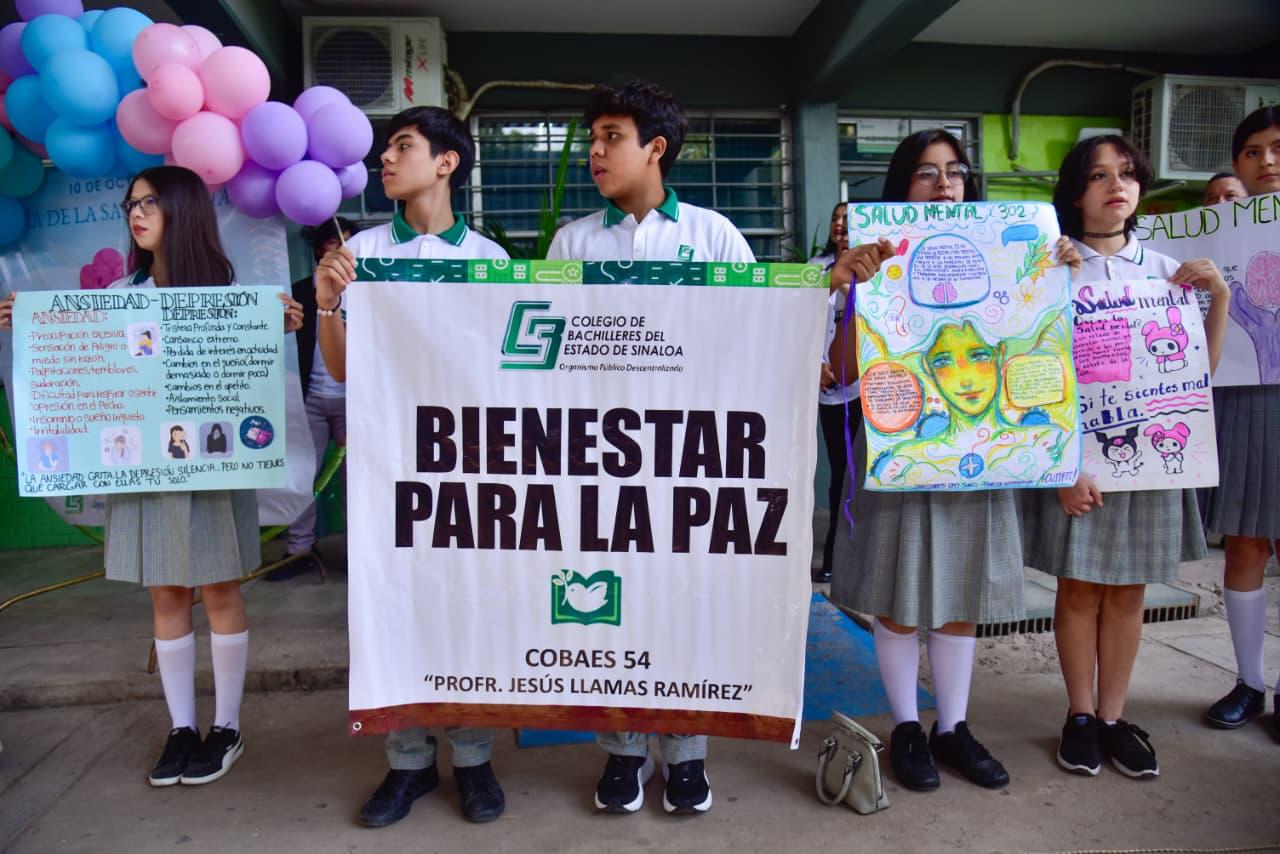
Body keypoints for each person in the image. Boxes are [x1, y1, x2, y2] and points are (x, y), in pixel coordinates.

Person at [1, 165, 304, 787]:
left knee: (219, 589)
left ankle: (227, 727)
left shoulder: (229, 294)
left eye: (149, 203)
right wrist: (32, 327)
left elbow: (244, 372)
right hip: (144, 467)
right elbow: (93, 373)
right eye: (131, 204)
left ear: (183, 210)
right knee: (165, 592)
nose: (136, 214)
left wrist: (278, 324)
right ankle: (181, 728)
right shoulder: (118, 293)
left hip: (212, 466)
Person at [827, 129, 1077, 794]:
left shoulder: (1012, 259)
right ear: (900, 188)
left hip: (980, 451)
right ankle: (908, 725)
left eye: (955, 171)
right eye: (926, 172)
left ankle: (954, 727)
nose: (944, 184)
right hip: (899, 449)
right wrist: (851, 290)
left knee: (961, 587)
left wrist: (1057, 272)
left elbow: (1040, 344)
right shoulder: (868, 263)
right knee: (899, 592)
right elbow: (841, 374)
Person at [546, 80, 755, 817]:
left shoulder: (714, 234)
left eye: (611, 137)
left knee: (684, 598)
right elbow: (551, 351)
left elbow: (754, 330)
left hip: (692, 455)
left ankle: (687, 752)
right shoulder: (573, 242)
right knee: (615, 600)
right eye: (593, 139)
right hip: (601, 456)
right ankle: (624, 750)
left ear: (655, 148)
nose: (595, 152)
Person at [313, 106, 510, 826]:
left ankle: (474, 758)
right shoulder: (359, 252)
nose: (385, 160)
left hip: (466, 466)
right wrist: (328, 303)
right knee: (389, 606)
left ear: (447, 162)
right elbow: (341, 373)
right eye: (385, 149)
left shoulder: (490, 261)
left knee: (466, 605)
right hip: (384, 461)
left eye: (402, 146)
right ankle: (407, 763)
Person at [1024, 134, 1230, 779]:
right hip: (1078, 463)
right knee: (1077, 590)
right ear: (1074, 193)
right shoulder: (1050, 271)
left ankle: (1113, 718)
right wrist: (1063, 467)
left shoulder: (1168, 272)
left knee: (1128, 593)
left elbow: (1195, 377)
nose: (1117, 185)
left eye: (1128, 173)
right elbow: (1033, 377)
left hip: (1151, 465)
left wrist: (1219, 299)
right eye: (1099, 176)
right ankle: (1080, 716)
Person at [1201, 106, 1280, 743]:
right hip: (1242, 397)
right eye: (1252, 152)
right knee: (1246, 542)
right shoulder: (1212, 233)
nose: (1266, 162)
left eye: (1277, 148)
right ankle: (1250, 682)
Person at [270, 217, 359, 582]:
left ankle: (360, 554)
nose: (339, 252)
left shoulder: (369, 291)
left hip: (355, 401)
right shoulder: (301, 292)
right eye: (331, 245)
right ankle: (300, 550)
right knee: (302, 475)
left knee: (358, 481)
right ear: (317, 251)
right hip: (310, 398)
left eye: (345, 245)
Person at [811, 202, 858, 583]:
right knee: (838, 472)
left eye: (847, 220)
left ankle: (855, 558)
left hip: (863, 390)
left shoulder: (875, 272)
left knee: (858, 474)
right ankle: (833, 557)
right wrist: (816, 365)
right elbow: (800, 320)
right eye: (835, 219)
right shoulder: (815, 268)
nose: (839, 225)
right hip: (826, 389)